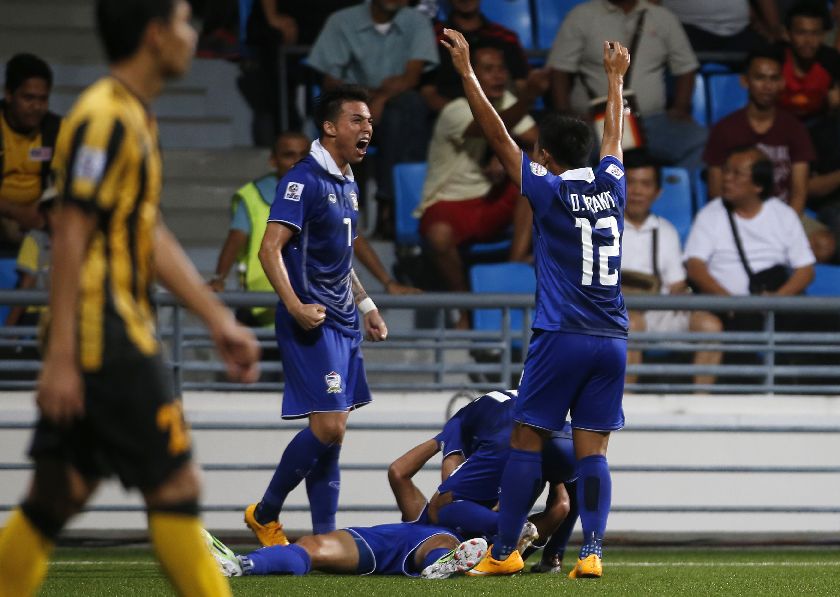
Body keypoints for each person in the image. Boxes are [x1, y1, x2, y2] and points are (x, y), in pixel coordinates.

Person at [0, 2, 262, 597]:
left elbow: (145, 230)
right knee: (177, 487)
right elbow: (69, 230)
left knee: (56, 495)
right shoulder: (102, 118)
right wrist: (62, 355)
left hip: (101, 335)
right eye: (186, 20)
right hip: (107, 338)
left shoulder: (133, 116)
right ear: (154, 34)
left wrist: (217, 318)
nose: (193, 34)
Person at [440, 29, 630, 579]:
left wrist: (467, 72)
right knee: (593, 452)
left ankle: (503, 552)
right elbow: (614, 141)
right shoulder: (612, 186)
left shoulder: (548, 190)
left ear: (545, 156)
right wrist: (615, 80)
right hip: (613, 339)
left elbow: (497, 134)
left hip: (562, 335)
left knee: (527, 439)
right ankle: (591, 553)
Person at [245, 86, 389, 547]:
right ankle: (265, 512)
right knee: (329, 426)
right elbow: (270, 250)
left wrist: (367, 306)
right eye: (357, 121)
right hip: (312, 321)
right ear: (330, 127)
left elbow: (341, 263)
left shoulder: (347, 183)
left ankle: (324, 536)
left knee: (332, 435)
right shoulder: (301, 179)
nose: (367, 128)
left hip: (345, 320)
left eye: (368, 121)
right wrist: (293, 305)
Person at [208, 131, 417, 327]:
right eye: (288, 155)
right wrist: (219, 279)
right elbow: (236, 239)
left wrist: (387, 281)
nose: (296, 161)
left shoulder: (328, 190)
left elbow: (354, 238)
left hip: (311, 304)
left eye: (303, 154)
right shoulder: (253, 195)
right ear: (273, 160)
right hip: (264, 305)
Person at [414, 41, 543, 328]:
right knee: (438, 236)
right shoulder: (456, 109)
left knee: (533, 173)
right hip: (449, 202)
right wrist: (529, 97)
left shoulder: (508, 102)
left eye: (501, 69)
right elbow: (490, 128)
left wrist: (509, 158)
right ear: (471, 74)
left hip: (490, 201)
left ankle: (515, 262)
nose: (498, 76)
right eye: (488, 69)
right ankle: (464, 309)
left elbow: (538, 141)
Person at [387, 389, 579, 574]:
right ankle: (552, 555)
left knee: (441, 508)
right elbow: (561, 507)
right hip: (545, 419)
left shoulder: (423, 525)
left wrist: (443, 438)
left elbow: (400, 473)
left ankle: (520, 534)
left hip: (516, 426)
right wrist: (442, 438)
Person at [306, 0, 439, 237]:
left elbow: (411, 77)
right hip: (351, 102)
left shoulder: (416, 21)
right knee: (400, 113)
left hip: (395, 105)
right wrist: (367, 101)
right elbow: (331, 80)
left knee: (408, 108)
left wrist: (382, 99)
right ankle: (392, 208)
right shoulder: (342, 20)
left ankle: (390, 204)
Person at [703, 46, 835, 263]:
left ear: (782, 83)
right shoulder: (725, 129)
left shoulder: (794, 129)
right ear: (745, 81)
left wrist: (785, 227)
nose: (767, 86)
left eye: (774, 79)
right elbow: (716, 191)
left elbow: (799, 192)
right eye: (760, 78)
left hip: (785, 215)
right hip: (737, 215)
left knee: (824, 244)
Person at [547, 0, 707, 171]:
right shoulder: (581, 16)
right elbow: (559, 69)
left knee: (700, 141)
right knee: (569, 150)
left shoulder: (662, 17)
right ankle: (587, 196)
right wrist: (565, 112)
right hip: (597, 122)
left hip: (651, 121)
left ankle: (673, 194)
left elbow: (686, 67)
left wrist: (680, 107)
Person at [620, 151, 723, 388]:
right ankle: (624, 409)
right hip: (612, 313)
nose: (636, 191)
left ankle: (699, 408)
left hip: (659, 310)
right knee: (631, 324)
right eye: (630, 183)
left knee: (711, 326)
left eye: (645, 184)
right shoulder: (598, 227)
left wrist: (683, 292)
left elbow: (676, 283)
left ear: (658, 193)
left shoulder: (667, 231)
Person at [686, 146, 815, 315]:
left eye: (737, 174)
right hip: (728, 310)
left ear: (758, 186)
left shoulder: (784, 215)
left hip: (774, 306)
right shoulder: (709, 215)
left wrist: (777, 299)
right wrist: (729, 303)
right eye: (726, 171)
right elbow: (695, 267)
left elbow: (805, 270)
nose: (726, 178)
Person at [203, 525, 487, 579]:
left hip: (376, 547)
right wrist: (441, 441)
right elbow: (398, 472)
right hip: (373, 540)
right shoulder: (428, 510)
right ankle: (442, 566)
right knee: (309, 545)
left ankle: (240, 565)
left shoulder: (449, 531)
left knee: (444, 544)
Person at [421, 0, 531, 113]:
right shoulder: (434, 38)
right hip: (453, 118)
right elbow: (428, 93)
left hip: (504, 117)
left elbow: (521, 87)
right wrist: (465, 116)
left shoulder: (506, 38)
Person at [0, 53, 62, 249]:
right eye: (28, 98)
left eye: (43, 99)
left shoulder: (56, 130)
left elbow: (65, 183)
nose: (36, 107)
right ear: (9, 95)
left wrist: (43, 212)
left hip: (39, 216)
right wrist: (17, 212)